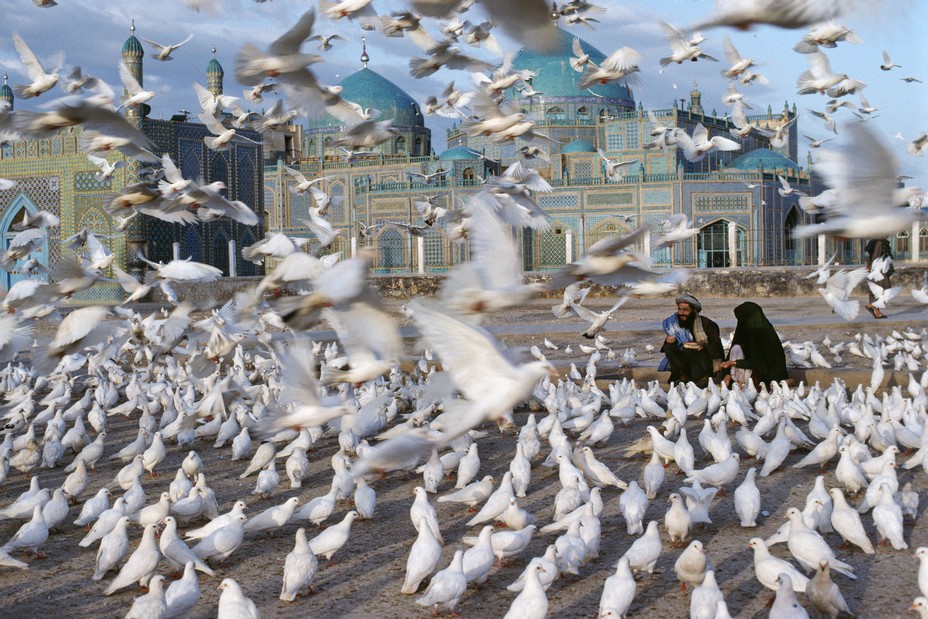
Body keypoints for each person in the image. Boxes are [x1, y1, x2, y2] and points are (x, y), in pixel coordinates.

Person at [659, 293, 725, 387]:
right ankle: (683, 376)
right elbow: (672, 344)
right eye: (679, 309)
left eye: (685, 310)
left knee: (690, 348)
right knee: (668, 347)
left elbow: (717, 349)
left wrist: (703, 345)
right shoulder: (675, 324)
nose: (681, 313)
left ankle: (702, 377)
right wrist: (670, 340)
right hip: (684, 364)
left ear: (694, 310)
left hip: (703, 362)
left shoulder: (708, 324)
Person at [719, 301, 788, 389]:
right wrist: (727, 375)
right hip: (748, 371)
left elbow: (760, 363)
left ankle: (742, 383)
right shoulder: (745, 332)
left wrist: (733, 363)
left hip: (768, 374)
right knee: (736, 348)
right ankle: (739, 382)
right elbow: (733, 355)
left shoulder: (765, 334)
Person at [865, 238, 893, 319]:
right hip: (879, 270)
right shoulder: (879, 242)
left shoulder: (875, 241)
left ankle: (877, 312)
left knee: (877, 292)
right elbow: (875, 256)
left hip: (877, 269)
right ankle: (871, 306)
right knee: (883, 289)